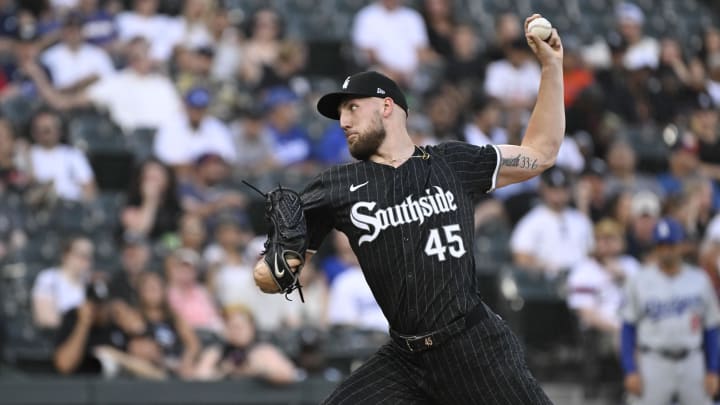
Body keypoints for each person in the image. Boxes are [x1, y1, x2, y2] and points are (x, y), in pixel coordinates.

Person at [253, 14, 564, 404]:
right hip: (405, 358)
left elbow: (541, 153)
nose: (343, 121)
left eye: (352, 108)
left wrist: (552, 67)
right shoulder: (334, 187)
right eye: (340, 114)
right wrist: (277, 266)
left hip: (474, 346)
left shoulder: (452, 162)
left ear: (386, 106)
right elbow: (269, 277)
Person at [620, 217, 720, 405]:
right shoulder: (638, 280)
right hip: (653, 361)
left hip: (693, 360)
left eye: (670, 245)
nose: (665, 251)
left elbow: (711, 329)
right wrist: (630, 370)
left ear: (681, 245)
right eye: (661, 245)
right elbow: (628, 328)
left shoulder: (699, 280)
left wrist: (713, 369)